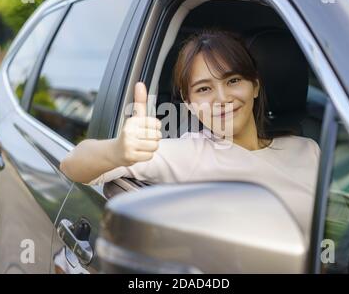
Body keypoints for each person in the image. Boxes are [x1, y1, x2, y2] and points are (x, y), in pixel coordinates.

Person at [60, 29, 320, 237]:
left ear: (255, 85)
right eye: (204, 89)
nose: (222, 98)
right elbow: (72, 165)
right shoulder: (189, 154)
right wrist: (117, 150)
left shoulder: (308, 149)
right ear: (189, 103)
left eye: (233, 81)